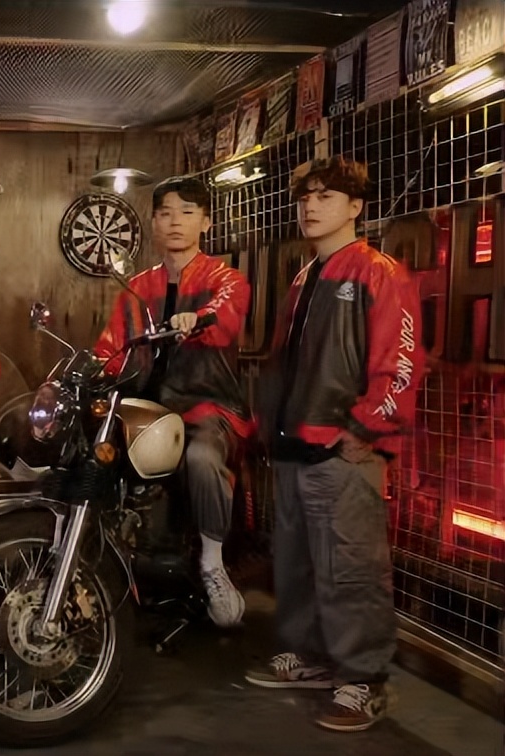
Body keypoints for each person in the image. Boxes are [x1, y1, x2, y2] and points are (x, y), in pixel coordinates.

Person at [248, 157, 423, 732]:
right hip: (294, 444)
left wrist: (365, 429)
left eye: (325, 196)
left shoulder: (379, 272)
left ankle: (363, 681)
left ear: (355, 207)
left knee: (352, 568)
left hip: (344, 448)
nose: (311, 206)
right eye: (305, 197)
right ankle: (311, 659)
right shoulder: (305, 277)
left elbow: (400, 362)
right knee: (297, 565)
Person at [93, 176, 253, 628]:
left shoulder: (225, 278)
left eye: (187, 212)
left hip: (207, 407)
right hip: (147, 409)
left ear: (206, 222)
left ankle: (213, 563)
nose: (175, 221)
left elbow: (226, 314)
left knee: (201, 458)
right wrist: (95, 367)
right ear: (154, 223)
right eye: (165, 213)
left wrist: (197, 318)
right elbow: (112, 346)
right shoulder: (137, 286)